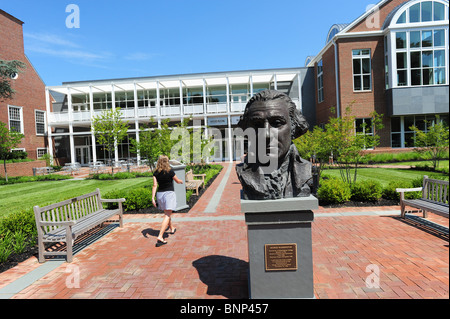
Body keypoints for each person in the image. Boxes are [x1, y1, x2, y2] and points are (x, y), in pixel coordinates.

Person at [235, 89, 312, 200]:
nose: (266, 134)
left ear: (293, 128)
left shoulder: (306, 171)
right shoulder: (243, 172)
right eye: (257, 124)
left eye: (277, 123)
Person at [152, 155, 183, 246]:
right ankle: (160, 236)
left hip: (160, 195)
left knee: (167, 212)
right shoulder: (170, 171)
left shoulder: (156, 173)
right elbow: (177, 181)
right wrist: (181, 181)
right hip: (169, 194)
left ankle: (172, 228)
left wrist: (153, 198)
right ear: (167, 162)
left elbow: (154, 186)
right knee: (167, 214)